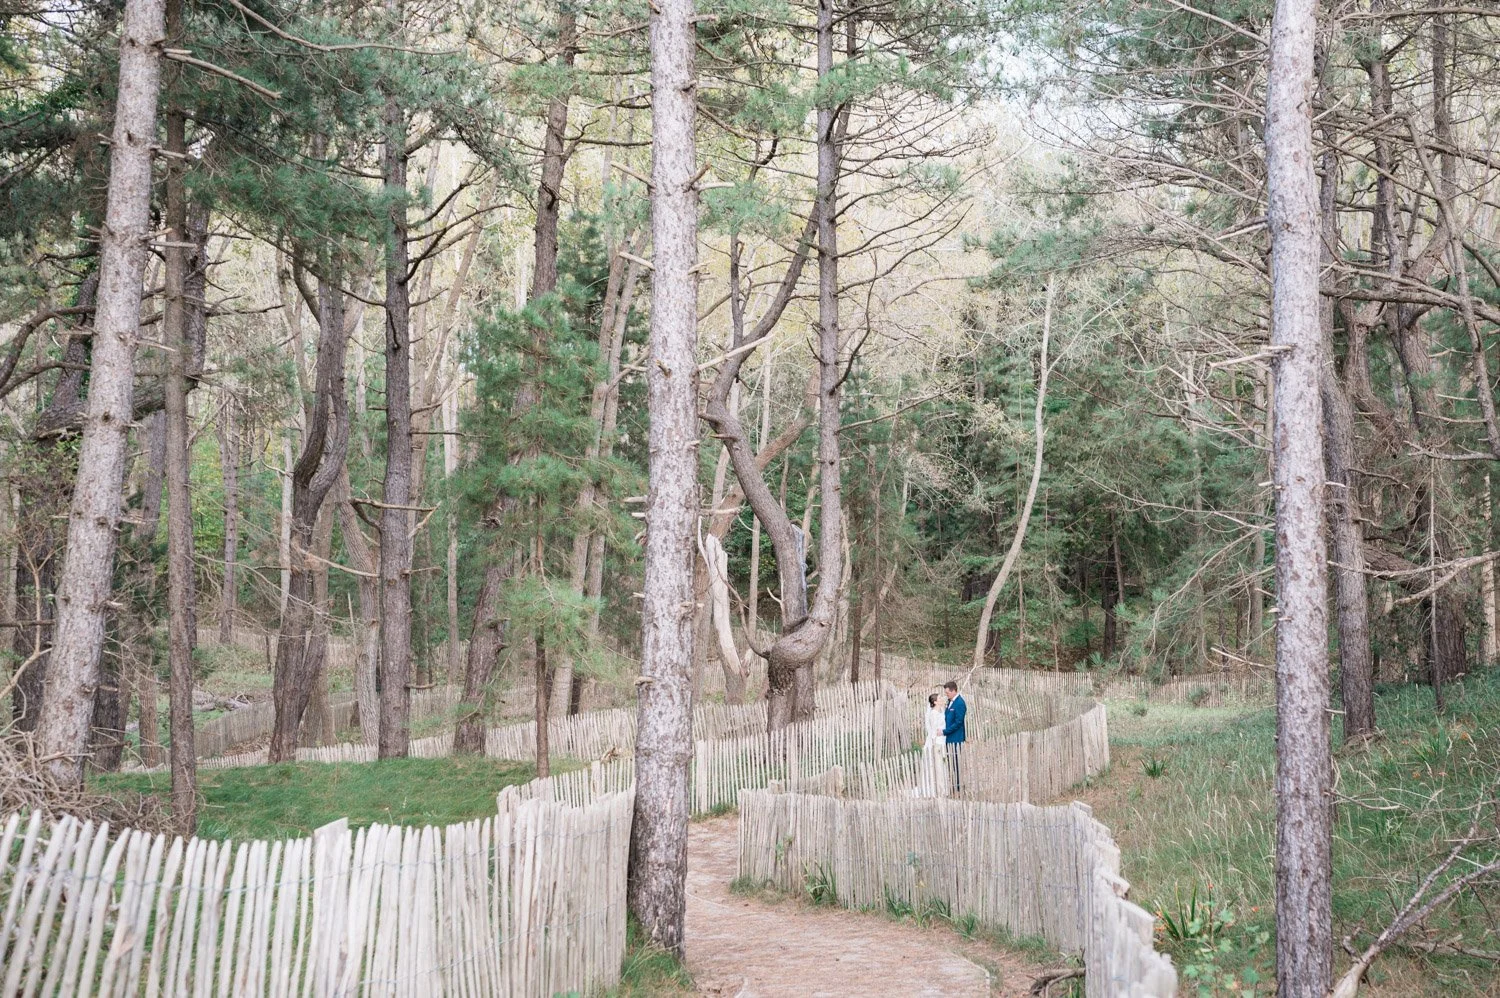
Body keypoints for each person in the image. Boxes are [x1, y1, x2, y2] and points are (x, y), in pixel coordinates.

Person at [915, 693, 945, 797]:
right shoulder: (933, 714)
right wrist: (934, 743)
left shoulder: (940, 711)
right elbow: (933, 730)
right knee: (934, 764)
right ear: (935, 702)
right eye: (940, 698)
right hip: (936, 741)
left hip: (942, 739)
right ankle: (932, 788)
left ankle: (942, 787)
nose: (942, 699)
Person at [942, 680, 966, 795]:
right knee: (950, 761)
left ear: (954, 691)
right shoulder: (950, 702)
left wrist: (945, 731)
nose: (947, 695)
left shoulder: (960, 703)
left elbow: (958, 722)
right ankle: (952, 784)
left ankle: (958, 786)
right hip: (948, 738)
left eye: (947, 693)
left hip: (956, 737)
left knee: (956, 762)